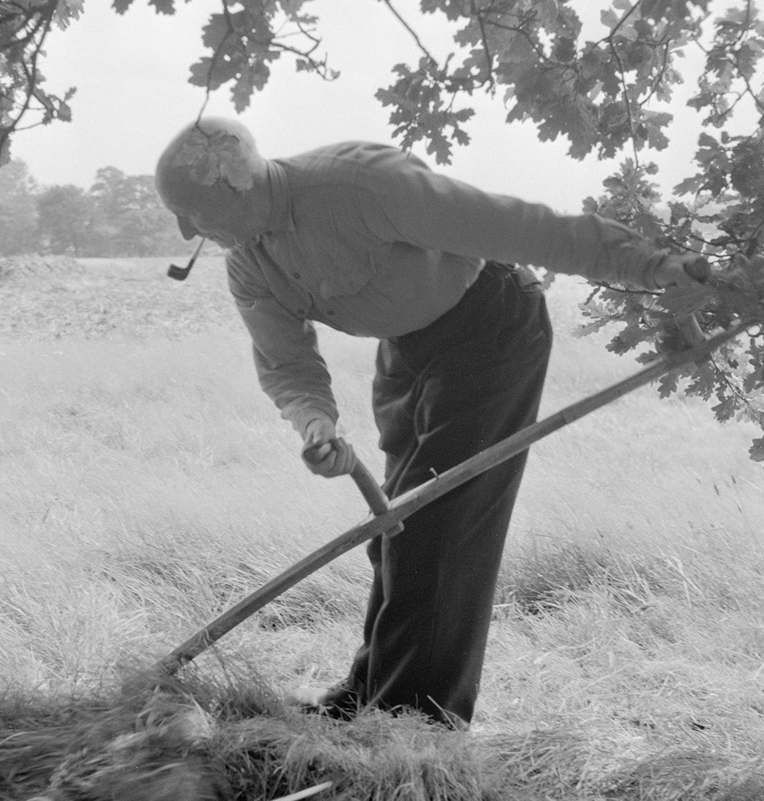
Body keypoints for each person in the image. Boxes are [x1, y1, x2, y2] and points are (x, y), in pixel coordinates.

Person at [154, 114, 714, 727]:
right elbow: (286, 362)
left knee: (438, 529)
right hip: (405, 349)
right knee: (393, 526)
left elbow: (523, 229)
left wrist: (656, 266)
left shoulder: (359, 184)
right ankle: (369, 692)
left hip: (489, 324)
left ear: (235, 183)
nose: (187, 231)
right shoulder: (247, 261)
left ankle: (415, 727)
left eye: (192, 212)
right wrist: (316, 424)